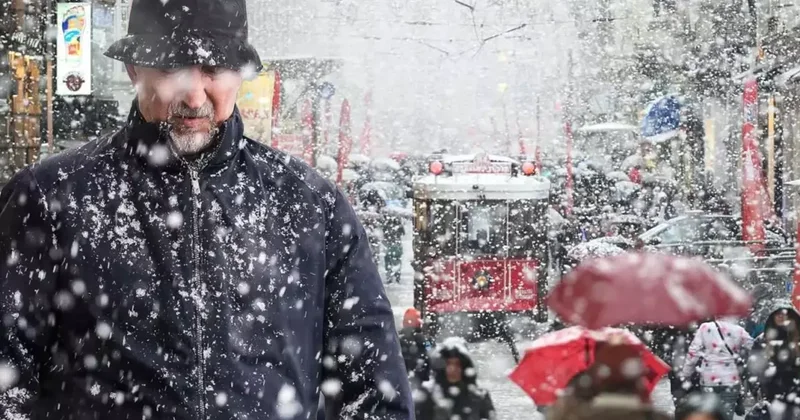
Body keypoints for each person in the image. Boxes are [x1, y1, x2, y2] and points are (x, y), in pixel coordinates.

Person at [0, 0, 413, 418]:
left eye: (214, 69)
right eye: (171, 69)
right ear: (133, 70)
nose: (194, 95)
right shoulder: (51, 198)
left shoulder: (310, 204)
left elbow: (375, 392)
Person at [681, 319, 753, 420]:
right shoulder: (738, 330)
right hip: (730, 379)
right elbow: (754, 346)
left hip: (709, 378)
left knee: (709, 413)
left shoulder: (705, 327)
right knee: (727, 414)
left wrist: (686, 373)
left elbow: (694, 352)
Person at [415, 338, 495, 420]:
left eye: (457, 364)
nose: (452, 369)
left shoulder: (479, 395)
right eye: (449, 364)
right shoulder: (428, 395)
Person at [748, 303, 800, 420]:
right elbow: (753, 367)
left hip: (795, 395)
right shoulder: (762, 340)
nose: (781, 317)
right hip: (770, 394)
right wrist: (756, 389)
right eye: (778, 314)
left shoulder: (797, 338)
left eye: (785, 314)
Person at [398, 308, 433, 386]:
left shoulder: (398, 338)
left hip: (402, 379)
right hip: (421, 378)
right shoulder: (425, 338)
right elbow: (430, 352)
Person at [382, 212, 405, 284]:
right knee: (397, 260)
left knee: (388, 260)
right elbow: (403, 233)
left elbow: (384, 235)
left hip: (389, 245)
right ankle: (397, 275)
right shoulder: (398, 225)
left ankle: (389, 276)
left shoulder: (386, 225)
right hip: (397, 245)